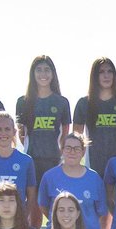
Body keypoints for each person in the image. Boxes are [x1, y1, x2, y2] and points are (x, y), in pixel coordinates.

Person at [38, 131, 107, 229]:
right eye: (68, 148)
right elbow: (44, 207)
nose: (72, 152)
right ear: (62, 150)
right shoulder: (49, 177)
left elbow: (101, 212)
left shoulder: (94, 178)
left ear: (83, 151)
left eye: (77, 148)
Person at [73, 57, 116, 176]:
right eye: (101, 72)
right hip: (93, 166)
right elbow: (77, 140)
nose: (106, 75)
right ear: (94, 76)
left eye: (109, 71)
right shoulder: (84, 103)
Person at [16, 55, 72, 184]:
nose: (43, 74)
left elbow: (65, 133)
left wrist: (58, 153)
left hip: (54, 160)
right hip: (31, 159)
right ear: (33, 73)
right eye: (39, 70)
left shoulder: (62, 102)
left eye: (47, 69)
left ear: (53, 73)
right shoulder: (23, 102)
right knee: (32, 200)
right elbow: (21, 134)